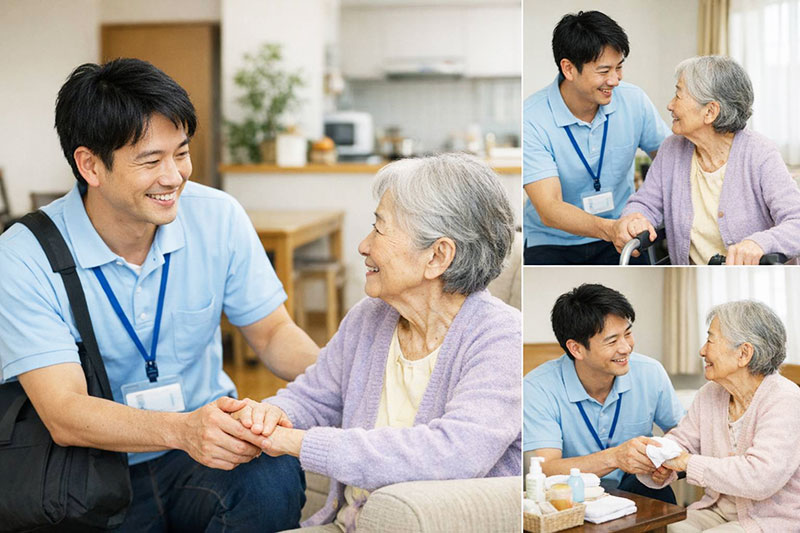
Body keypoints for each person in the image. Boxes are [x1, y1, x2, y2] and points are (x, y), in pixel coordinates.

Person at [0, 59, 320, 532]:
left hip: (200, 459)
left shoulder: (218, 217)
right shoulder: (22, 255)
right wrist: (183, 430)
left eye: (182, 153)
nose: (174, 176)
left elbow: (273, 334)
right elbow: (64, 412)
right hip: (88, 470)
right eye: (151, 161)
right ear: (90, 165)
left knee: (271, 477)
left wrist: (354, 382)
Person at [230, 153, 522, 531]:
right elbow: (313, 397)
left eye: (379, 229)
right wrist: (267, 416)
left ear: (437, 256)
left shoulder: (500, 338)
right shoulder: (370, 317)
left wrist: (298, 442)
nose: (363, 245)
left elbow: (452, 454)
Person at [615, 56, 800, 265]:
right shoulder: (672, 149)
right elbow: (645, 203)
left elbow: (796, 221)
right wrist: (635, 218)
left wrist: (760, 243)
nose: (670, 105)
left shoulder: (759, 154)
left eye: (678, 95)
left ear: (710, 111)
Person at [638, 301, 800, 532]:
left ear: (744, 353)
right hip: (715, 511)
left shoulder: (785, 399)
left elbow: (760, 478)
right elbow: (682, 440)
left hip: (772, 520)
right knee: (662, 529)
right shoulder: (711, 393)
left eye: (711, 340)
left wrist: (683, 462)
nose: (702, 351)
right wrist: (656, 456)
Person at [523, 10, 670, 265]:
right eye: (604, 71)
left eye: (619, 67)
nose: (615, 80)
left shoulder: (633, 100)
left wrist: (646, 205)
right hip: (552, 241)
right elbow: (549, 208)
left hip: (622, 233)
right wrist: (609, 229)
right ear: (568, 69)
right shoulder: (531, 118)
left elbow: (671, 158)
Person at [523, 284, 685, 503]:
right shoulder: (537, 388)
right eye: (612, 341)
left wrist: (668, 462)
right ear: (576, 349)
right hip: (573, 501)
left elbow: (683, 433)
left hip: (635, 492)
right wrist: (615, 458)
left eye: (628, 334)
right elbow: (546, 469)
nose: (626, 348)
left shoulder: (650, 372)